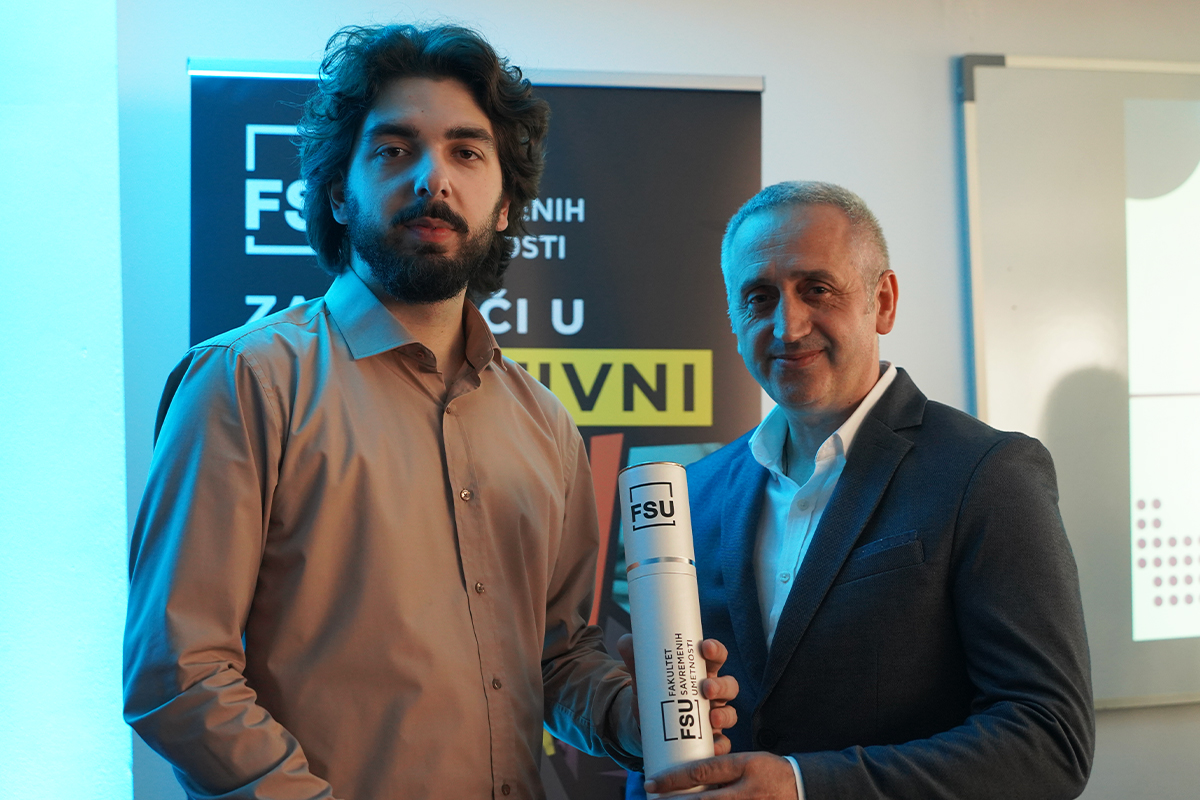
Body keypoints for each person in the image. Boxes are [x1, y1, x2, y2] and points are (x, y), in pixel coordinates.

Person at [123, 23, 737, 799]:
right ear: (338, 192)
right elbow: (178, 675)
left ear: (505, 205)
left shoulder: (545, 423)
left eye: (466, 152)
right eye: (394, 149)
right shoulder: (245, 382)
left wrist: (639, 718)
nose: (432, 179)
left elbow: (554, 658)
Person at [642, 182, 1094, 799]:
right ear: (733, 318)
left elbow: (1049, 739)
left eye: (817, 289)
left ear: (882, 302)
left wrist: (804, 786)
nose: (788, 325)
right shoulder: (698, 491)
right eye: (760, 297)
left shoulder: (988, 473)